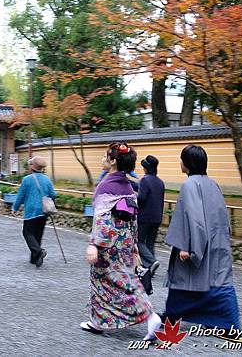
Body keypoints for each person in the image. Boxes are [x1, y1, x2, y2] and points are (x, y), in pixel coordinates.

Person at [81, 142, 161, 339]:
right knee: (124, 279)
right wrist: (133, 242)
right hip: (124, 240)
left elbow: (101, 217)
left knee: (107, 282)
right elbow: (133, 215)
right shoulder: (126, 184)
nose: (103, 159)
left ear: (113, 161)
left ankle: (149, 315)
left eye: (106, 156)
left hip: (107, 243)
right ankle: (99, 321)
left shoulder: (106, 185)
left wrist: (93, 243)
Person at [162, 144, 242, 341]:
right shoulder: (212, 184)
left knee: (185, 279)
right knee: (219, 283)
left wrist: (188, 247)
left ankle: (172, 318)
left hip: (197, 244)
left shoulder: (190, 185)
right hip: (217, 243)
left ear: (187, 164)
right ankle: (227, 326)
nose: (180, 163)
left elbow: (194, 218)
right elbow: (221, 216)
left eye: (182, 159)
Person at [12, 156, 56, 268]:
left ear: (32, 166)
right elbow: (53, 195)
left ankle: (38, 252)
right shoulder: (47, 179)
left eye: (30, 164)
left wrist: (15, 208)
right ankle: (34, 259)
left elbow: (21, 196)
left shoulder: (27, 179)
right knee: (38, 234)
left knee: (27, 232)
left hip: (31, 211)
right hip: (44, 211)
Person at [137, 155, 165, 276]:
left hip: (145, 217)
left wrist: (134, 199)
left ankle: (152, 261)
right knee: (150, 243)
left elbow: (141, 198)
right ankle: (150, 270)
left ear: (146, 168)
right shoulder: (160, 182)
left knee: (139, 241)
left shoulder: (145, 180)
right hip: (157, 217)